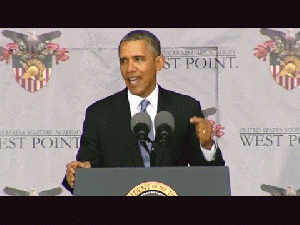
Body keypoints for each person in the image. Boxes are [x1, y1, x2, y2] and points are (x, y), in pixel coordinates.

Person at [62, 30, 225, 194]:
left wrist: (206, 146)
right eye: (124, 61)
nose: (130, 68)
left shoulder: (184, 108)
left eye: (138, 59)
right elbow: (85, 175)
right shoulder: (100, 114)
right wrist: (75, 175)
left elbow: (211, 180)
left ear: (159, 63)